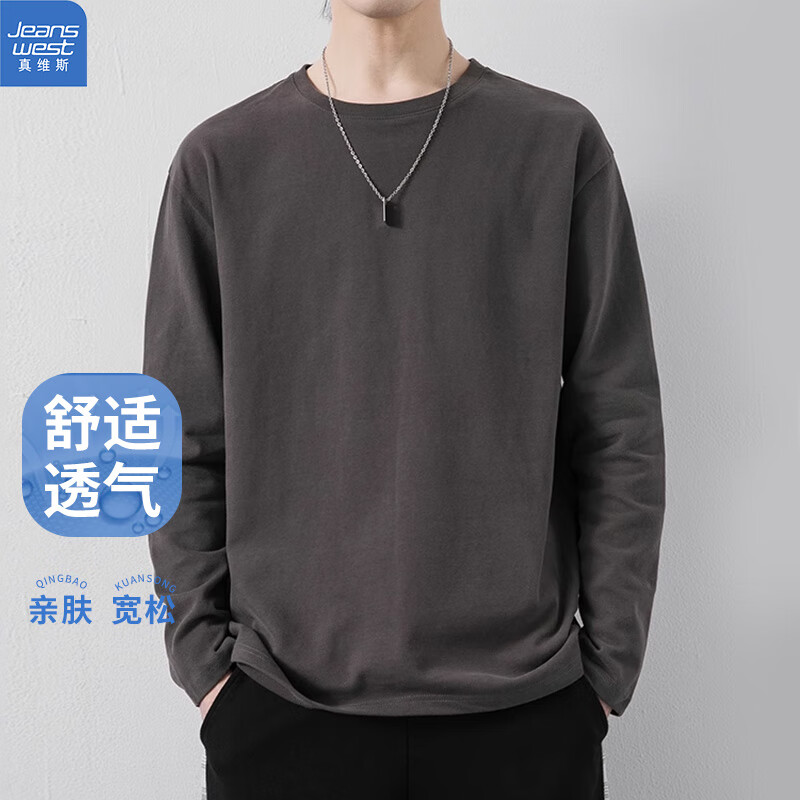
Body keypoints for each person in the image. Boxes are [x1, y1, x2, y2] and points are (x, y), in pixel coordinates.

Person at [142, 1, 666, 797]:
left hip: (526, 717)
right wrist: (208, 672)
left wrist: (606, 670)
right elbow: (175, 442)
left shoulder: (559, 145)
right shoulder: (220, 162)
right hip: (280, 715)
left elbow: (619, 422)